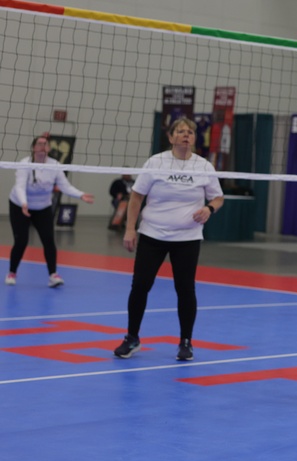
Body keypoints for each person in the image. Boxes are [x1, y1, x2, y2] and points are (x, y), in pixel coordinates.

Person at [113, 118, 224, 361]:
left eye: (190, 132)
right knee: (140, 285)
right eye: (181, 131)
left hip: (188, 237)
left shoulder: (204, 166)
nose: (186, 135)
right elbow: (136, 198)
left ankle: (186, 342)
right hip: (153, 234)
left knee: (185, 289)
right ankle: (132, 338)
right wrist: (130, 229)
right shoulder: (156, 162)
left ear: (194, 138)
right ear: (171, 137)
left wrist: (209, 209)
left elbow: (217, 198)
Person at [6, 134, 95, 287]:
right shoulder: (25, 163)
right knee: (21, 241)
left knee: (48, 240)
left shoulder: (54, 165)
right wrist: (24, 203)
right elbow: (20, 185)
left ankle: (53, 275)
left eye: (45, 144)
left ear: (48, 148)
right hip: (20, 205)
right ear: (34, 148)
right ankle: (12, 273)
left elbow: (64, 186)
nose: (42, 146)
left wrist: (81, 195)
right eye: (39, 143)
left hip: (43, 207)